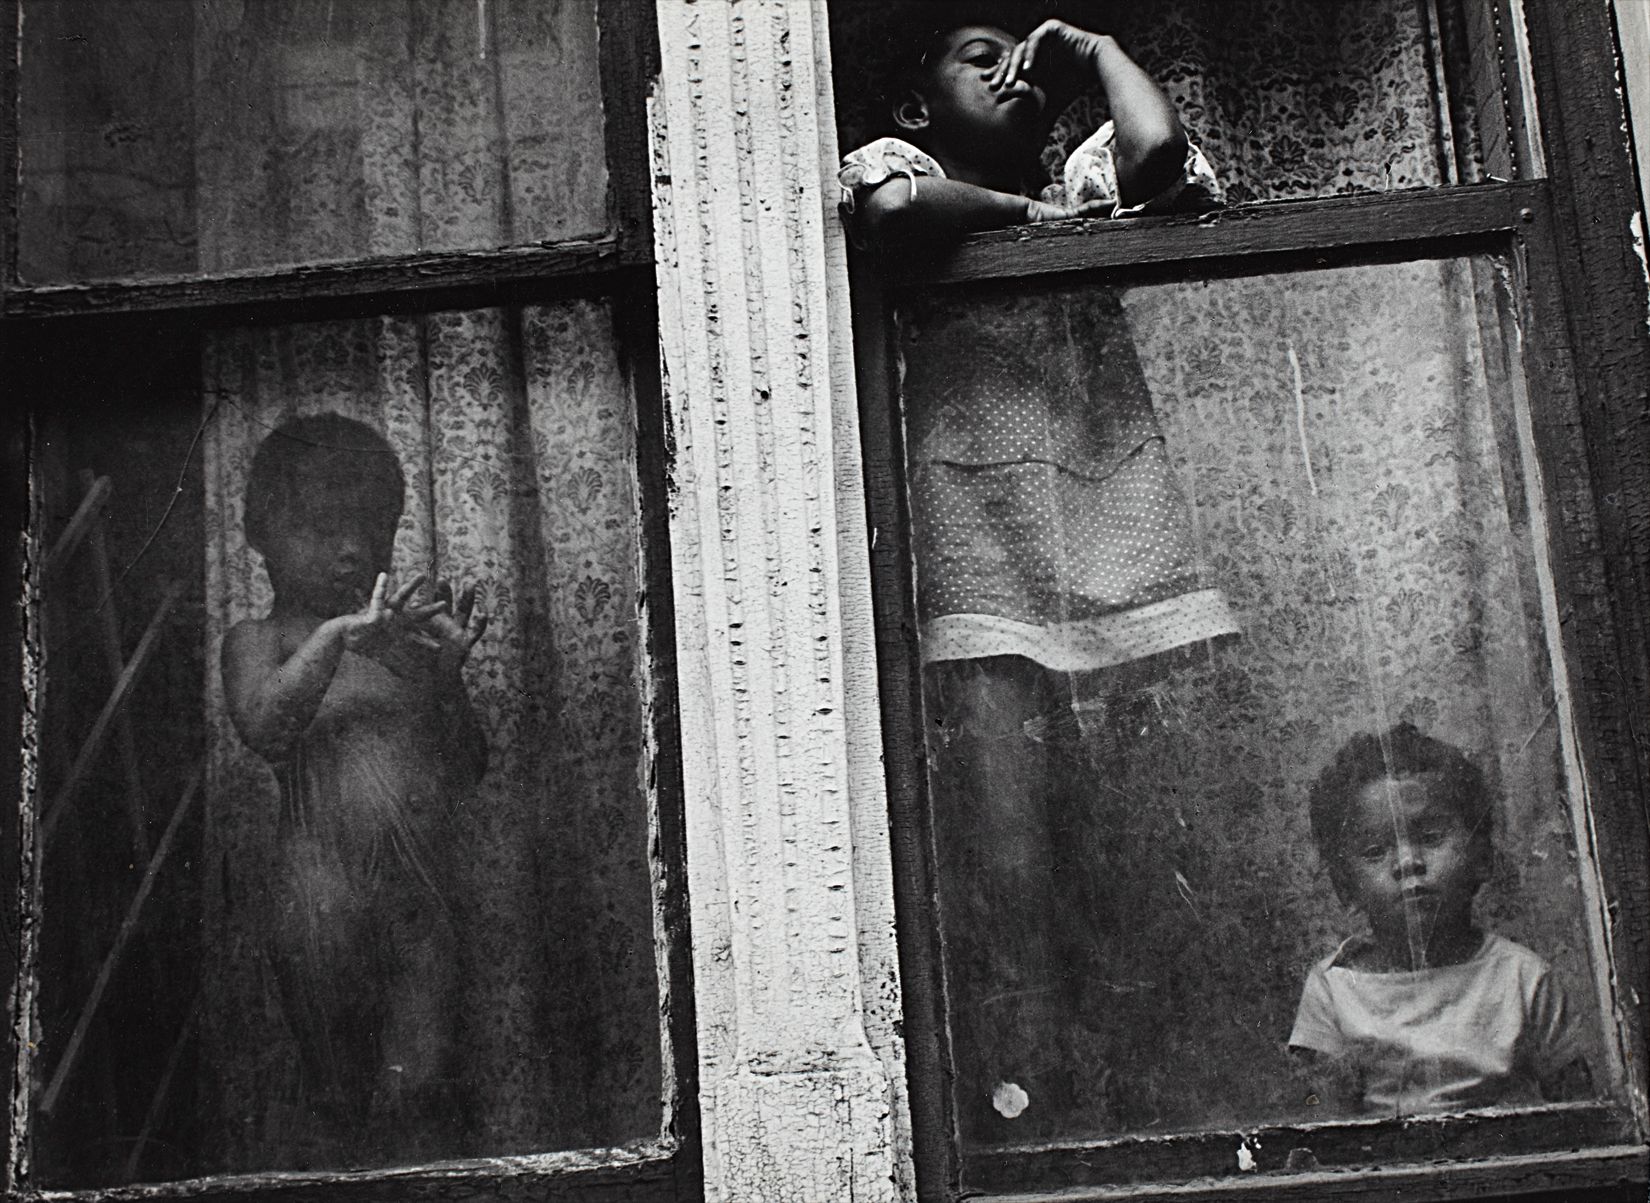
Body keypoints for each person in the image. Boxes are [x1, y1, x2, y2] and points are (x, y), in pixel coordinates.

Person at [838, 11, 1237, 1139]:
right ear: (918, 106)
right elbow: (898, 213)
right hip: (979, 547)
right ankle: (1022, 1093)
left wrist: (1096, 53)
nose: (1011, 69)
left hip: (1108, 540)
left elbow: (1162, 161)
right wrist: (1020, 216)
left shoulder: (1089, 174)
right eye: (981, 58)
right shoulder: (909, 164)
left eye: (1026, 58)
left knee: (1129, 836)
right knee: (1004, 850)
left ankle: (1135, 1083)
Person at [220, 413, 489, 1162]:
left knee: (422, 1087)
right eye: (322, 529)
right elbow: (266, 727)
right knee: (336, 1093)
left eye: (368, 530)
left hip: (419, 900)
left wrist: (446, 675)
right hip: (320, 896)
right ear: (262, 534)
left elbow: (465, 766)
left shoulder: (400, 642)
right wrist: (335, 636)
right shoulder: (259, 639)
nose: (351, 549)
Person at [1289, 723, 1591, 1116]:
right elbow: (1323, 1131)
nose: (1407, 863)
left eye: (1431, 838)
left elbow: (1583, 1115)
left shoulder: (1522, 978)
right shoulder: (1334, 989)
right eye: (1376, 850)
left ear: (1481, 857)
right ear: (1345, 885)